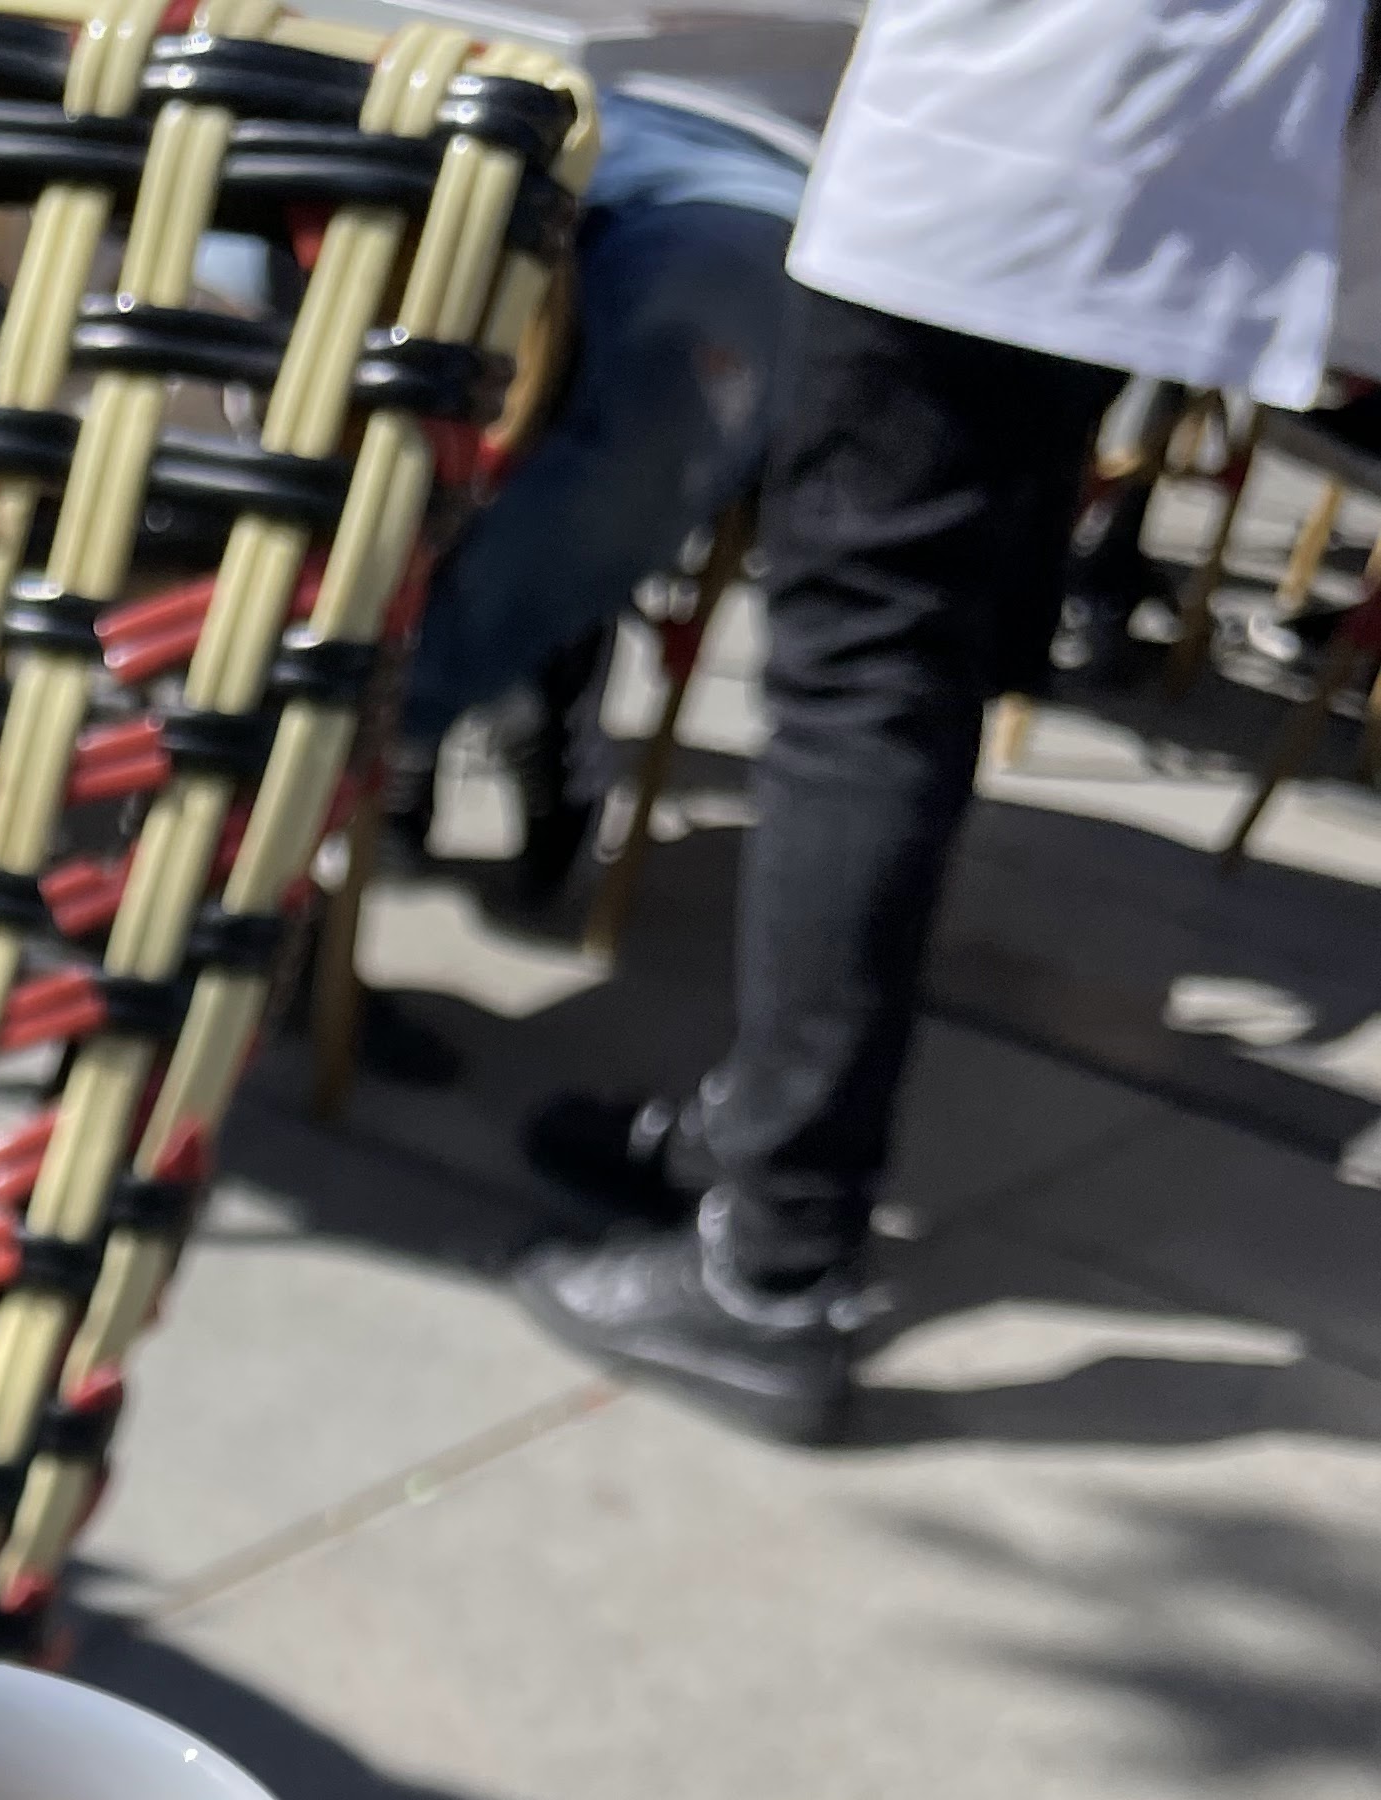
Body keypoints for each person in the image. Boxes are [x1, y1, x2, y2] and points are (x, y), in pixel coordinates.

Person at [515, 0, 1365, 1440]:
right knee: (911, 662)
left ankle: (775, 1260)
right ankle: (769, 1137)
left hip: (1027, 135)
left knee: (866, 674)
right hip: (1147, 146)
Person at [391, 23, 855, 914]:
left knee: (678, 372)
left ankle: (399, 709)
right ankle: (501, 661)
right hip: (469, 87)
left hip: (751, 148)